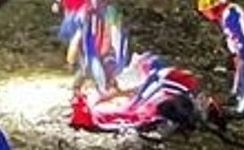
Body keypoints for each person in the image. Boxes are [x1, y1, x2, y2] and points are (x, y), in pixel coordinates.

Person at [70, 51, 209, 136]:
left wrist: (131, 101)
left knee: (137, 100)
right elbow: (137, 92)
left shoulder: (153, 79)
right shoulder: (155, 77)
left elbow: (139, 93)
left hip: (165, 84)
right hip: (168, 85)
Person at [196, 0, 244, 118]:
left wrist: (242, 53)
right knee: (237, 70)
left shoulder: (230, 12)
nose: (205, 15)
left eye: (205, 12)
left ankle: (242, 105)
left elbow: (241, 34)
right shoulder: (224, 15)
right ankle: (240, 95)